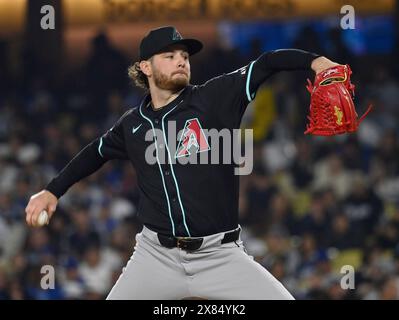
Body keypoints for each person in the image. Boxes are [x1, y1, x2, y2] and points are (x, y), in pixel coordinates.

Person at [25, 26, 340, 299]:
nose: (181, 60)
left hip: (220, 254)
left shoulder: (214, 98)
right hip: (155, 256)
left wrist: (316, 61)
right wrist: (52, 191)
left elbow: (267, 63)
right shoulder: (133, 124)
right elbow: (96, 152)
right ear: (145, 67)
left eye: (185, 56)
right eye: (170, 55)